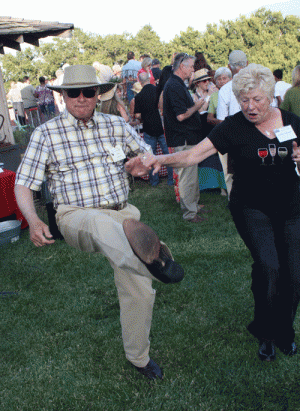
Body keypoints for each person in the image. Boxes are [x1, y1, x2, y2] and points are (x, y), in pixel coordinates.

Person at [14, 65, 184, 381]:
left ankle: (139, 358)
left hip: (122, 212)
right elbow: (23, 184)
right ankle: (155, 261)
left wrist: (141, 166)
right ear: (62, 96)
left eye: (88, 91)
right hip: (76, 215)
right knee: (98, 222)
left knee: (140, 291)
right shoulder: (45, 134)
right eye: (73, 92)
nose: (81, 98)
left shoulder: (116, 126)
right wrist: (34, 221)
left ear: (97, 94)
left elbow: (147, 157)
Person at [133, 63, 300, 362]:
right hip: (252, 207)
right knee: (269, 266)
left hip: (291, 208)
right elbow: (193, 155)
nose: (250, 107)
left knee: (295, 273)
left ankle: (285, 330)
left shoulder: (292, 122)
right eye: (244, 100)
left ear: (271, 96)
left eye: (257, 100)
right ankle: (265, 332)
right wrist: (160, 158)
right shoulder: (233, 127)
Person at [163, 53, 206, 223]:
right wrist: (198, 105)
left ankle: (193, 206)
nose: (193, 70)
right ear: (182, 66)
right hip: (183, 138)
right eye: (191, 66)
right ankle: (190, 213)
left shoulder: (177, 84)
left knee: (191, 175)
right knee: (187, 176)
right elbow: (181, 115)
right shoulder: (174, 85)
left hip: (187, 137)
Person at [217, 50, 248, 199]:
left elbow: (222, 119)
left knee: (230, 172)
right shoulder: (258, 84)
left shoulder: (225, 89)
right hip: (255, 132)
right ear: (247, 64)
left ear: (229, 66)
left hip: (232, 135)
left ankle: (234, 199)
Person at [134, 72, 173, 187]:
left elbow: (137, 115)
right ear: (150, 79)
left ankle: (154, 181)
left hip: (148, 128)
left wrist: (144, 115)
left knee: (150, 156)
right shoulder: (158, 91)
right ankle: (171, 179)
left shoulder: (139, 96)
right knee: (168, 155)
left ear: (140, 82)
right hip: (162, 127)